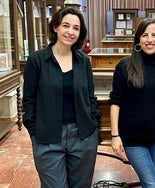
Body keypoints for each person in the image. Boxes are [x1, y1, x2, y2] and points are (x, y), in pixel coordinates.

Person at [22, 7, 101, 188]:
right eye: (66, 25)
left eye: (76, 28)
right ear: (55, 26)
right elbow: (29, 102)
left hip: (82, 135)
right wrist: (34, 131)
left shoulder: (83, 61)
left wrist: (93, 124)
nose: (71, 32)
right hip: (48, 136)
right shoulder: (37, 60)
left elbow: (90, 97)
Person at [109, 18, 155, 188]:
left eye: (154, 35)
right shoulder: (124, 66)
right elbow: (115, 101)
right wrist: (115, 135)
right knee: (151, 184)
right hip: (133, 138)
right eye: (145, 35)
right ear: (138, 40)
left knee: (150, 181)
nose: (150, 39)